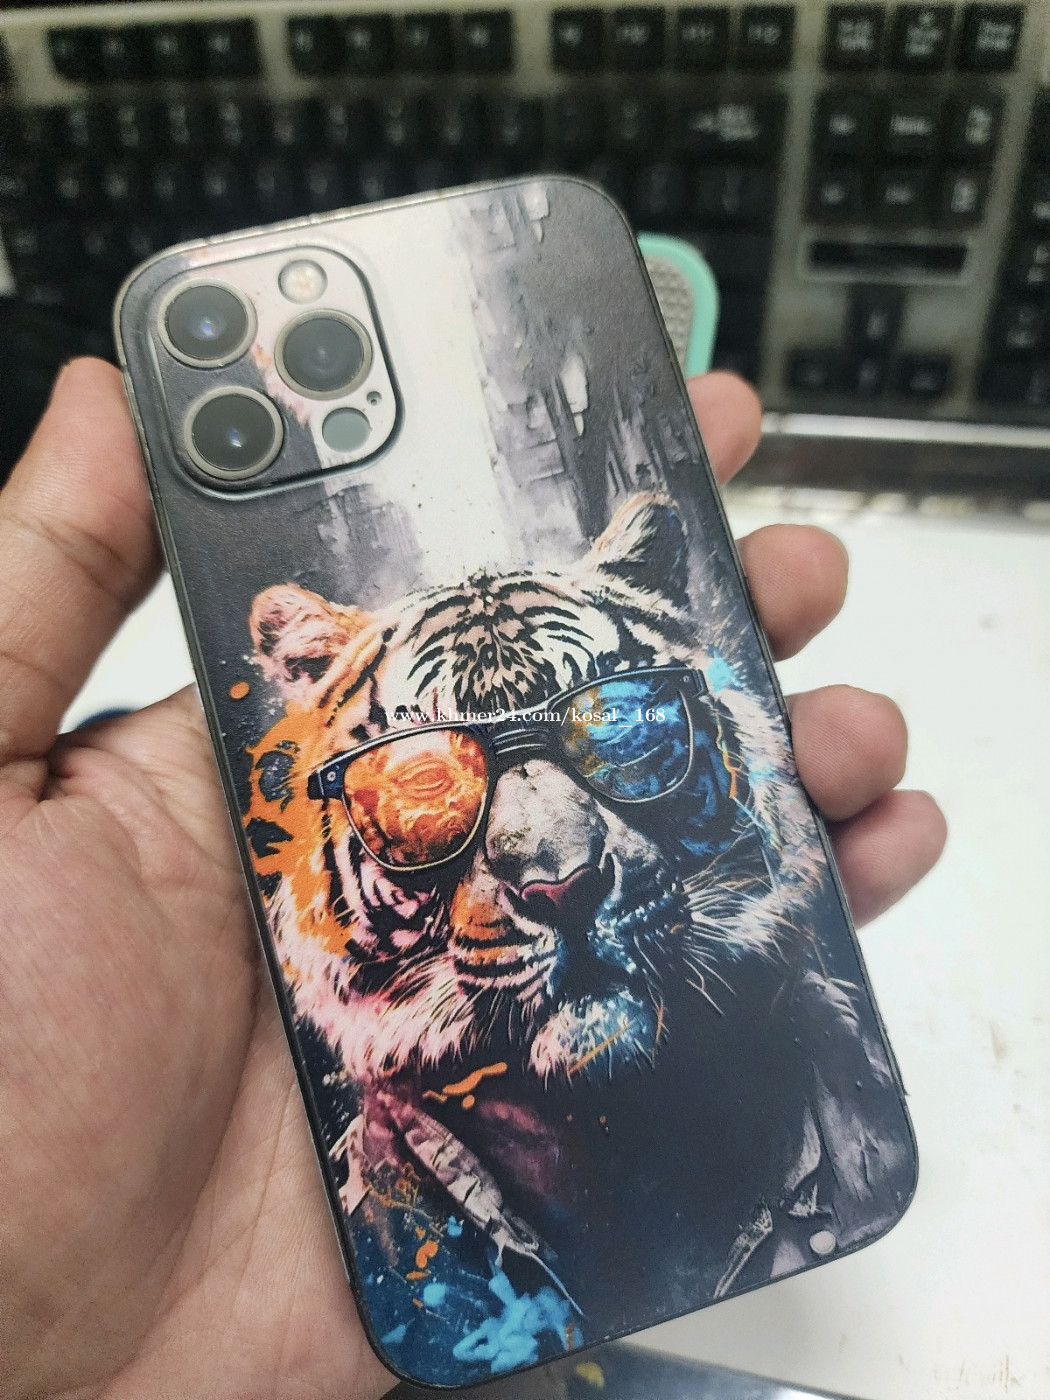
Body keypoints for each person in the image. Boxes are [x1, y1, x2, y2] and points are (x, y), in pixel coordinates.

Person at [0, 359, 946, 1400]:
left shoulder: (832, 1091)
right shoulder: (354, 1221)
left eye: (621, 727)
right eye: (421, 787)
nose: (556, 860)